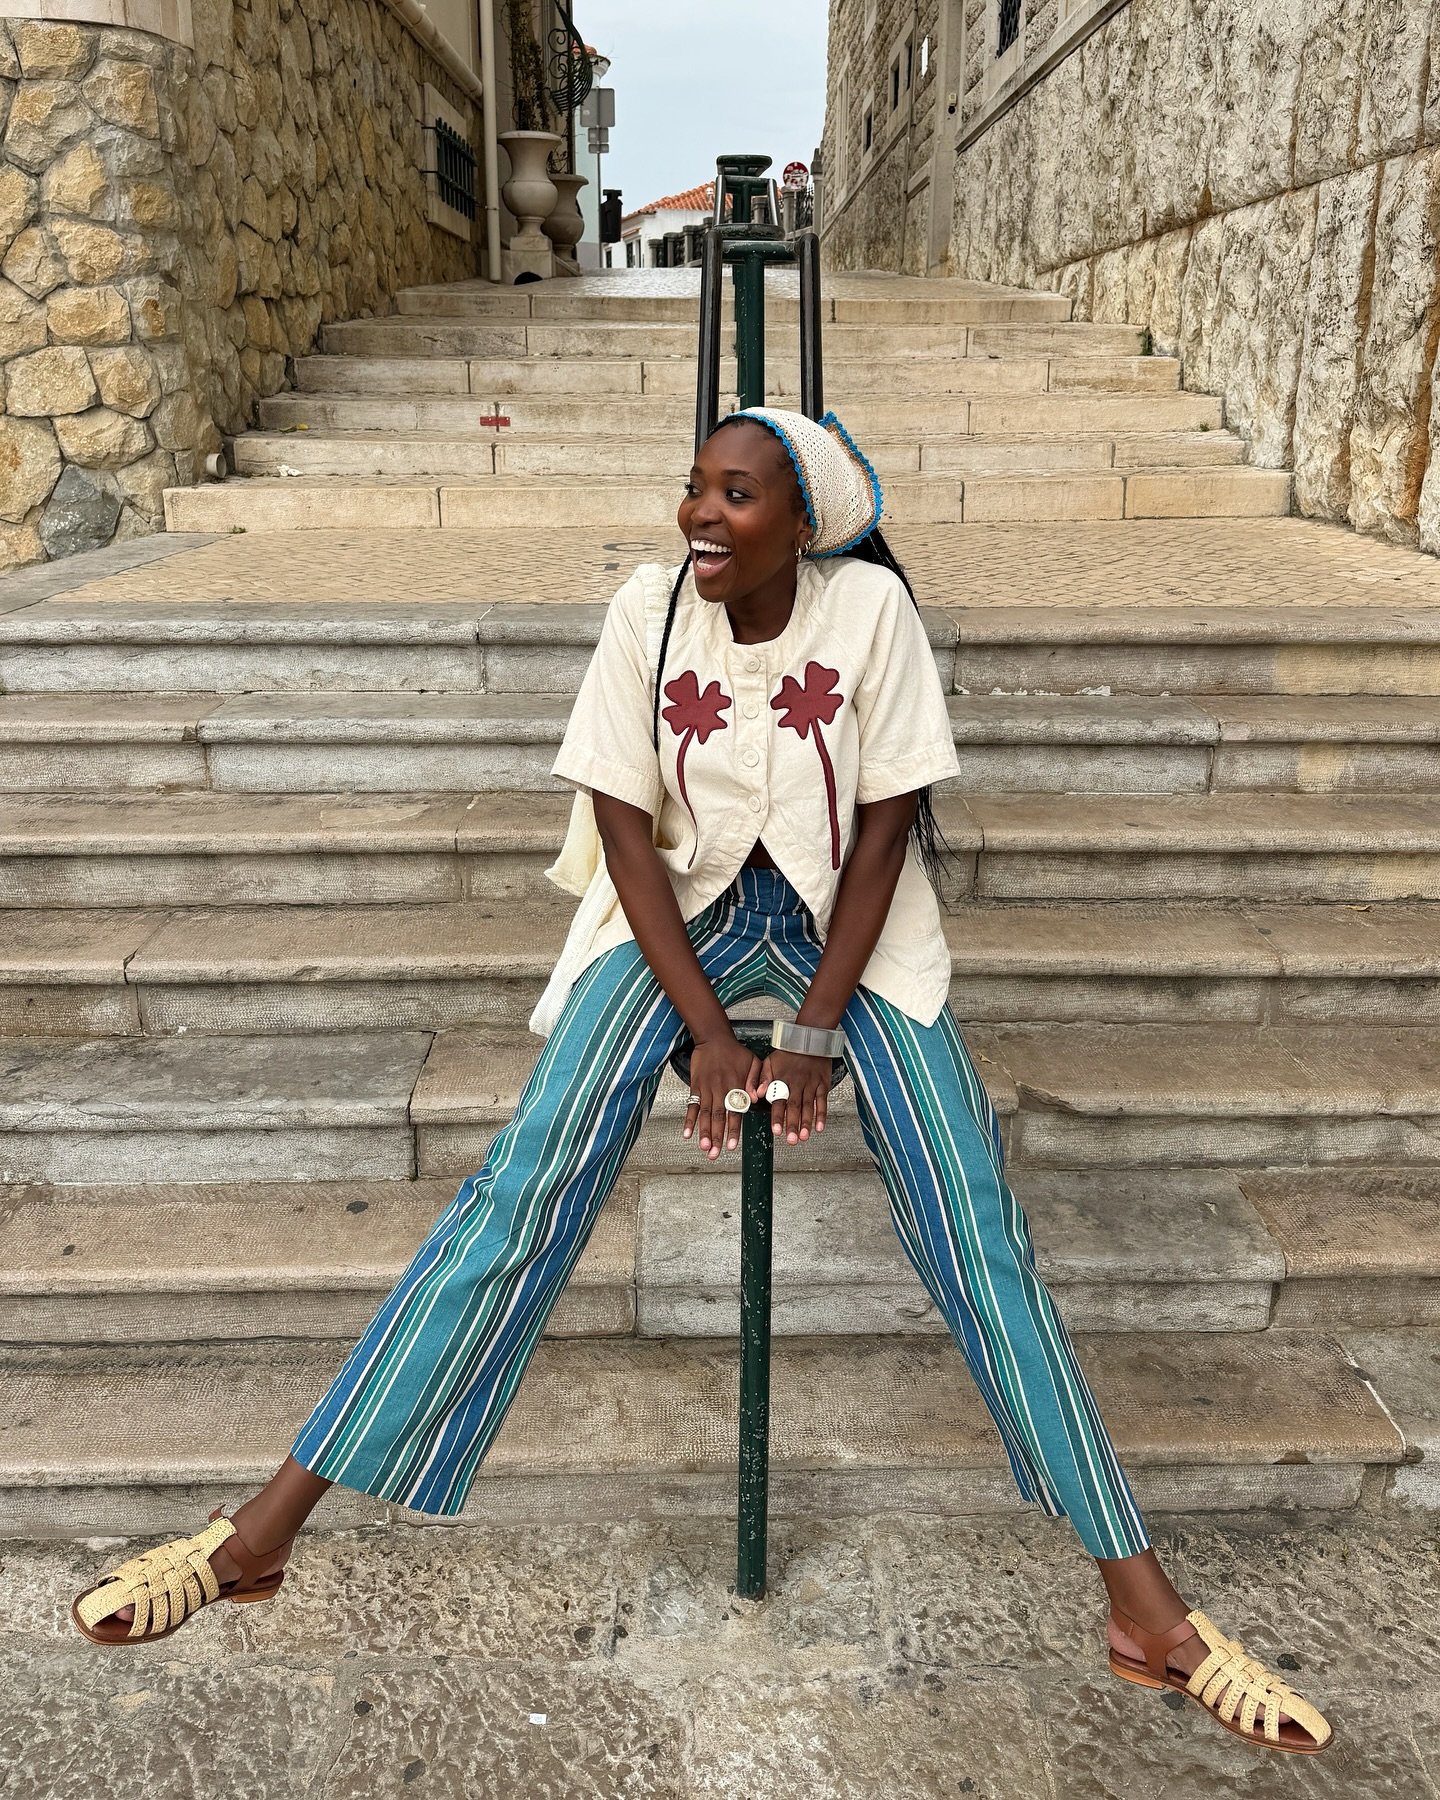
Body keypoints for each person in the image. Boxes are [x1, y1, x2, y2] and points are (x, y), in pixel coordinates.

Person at [70, 407, 1331, 1756]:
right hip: (678, 921)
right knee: (519, 1188)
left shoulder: (871, 618)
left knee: (980, 1227)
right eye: (693, 490)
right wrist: (703, 1033)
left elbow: (891, 827)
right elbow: (620, 822)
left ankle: (1146, 1612)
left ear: (808, 519)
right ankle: (258, 1535)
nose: (700, 517)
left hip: (850, 936)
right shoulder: (644, 610)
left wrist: (818, 1035)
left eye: (736, 495)